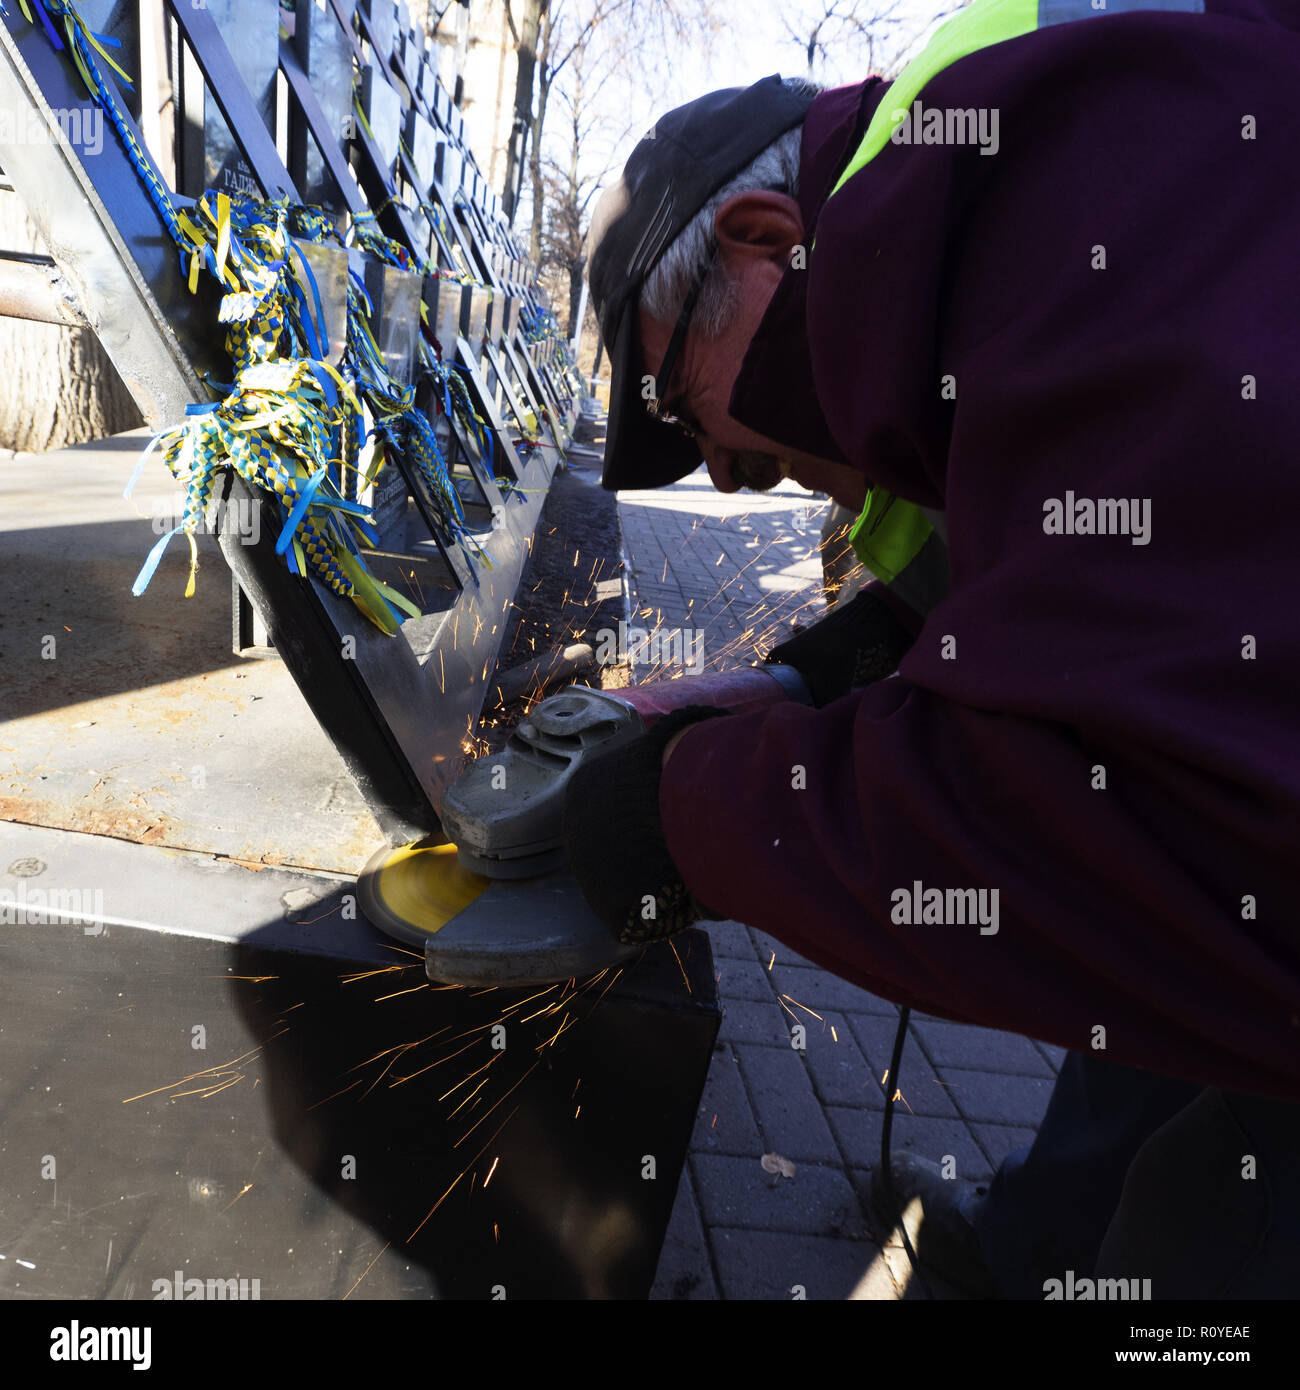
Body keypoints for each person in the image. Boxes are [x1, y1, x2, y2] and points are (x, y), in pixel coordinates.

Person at [563, 0, 1300, 1298]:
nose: (725, 480)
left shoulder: (1075, 189)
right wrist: (796, 679)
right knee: (1145, 1089)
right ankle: (1026, 1257)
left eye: (687, 414)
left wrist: (688, 813)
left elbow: (1137, 808)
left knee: (1201, 1237)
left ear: (760, 242)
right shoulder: (961, 231)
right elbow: (1022, 573)